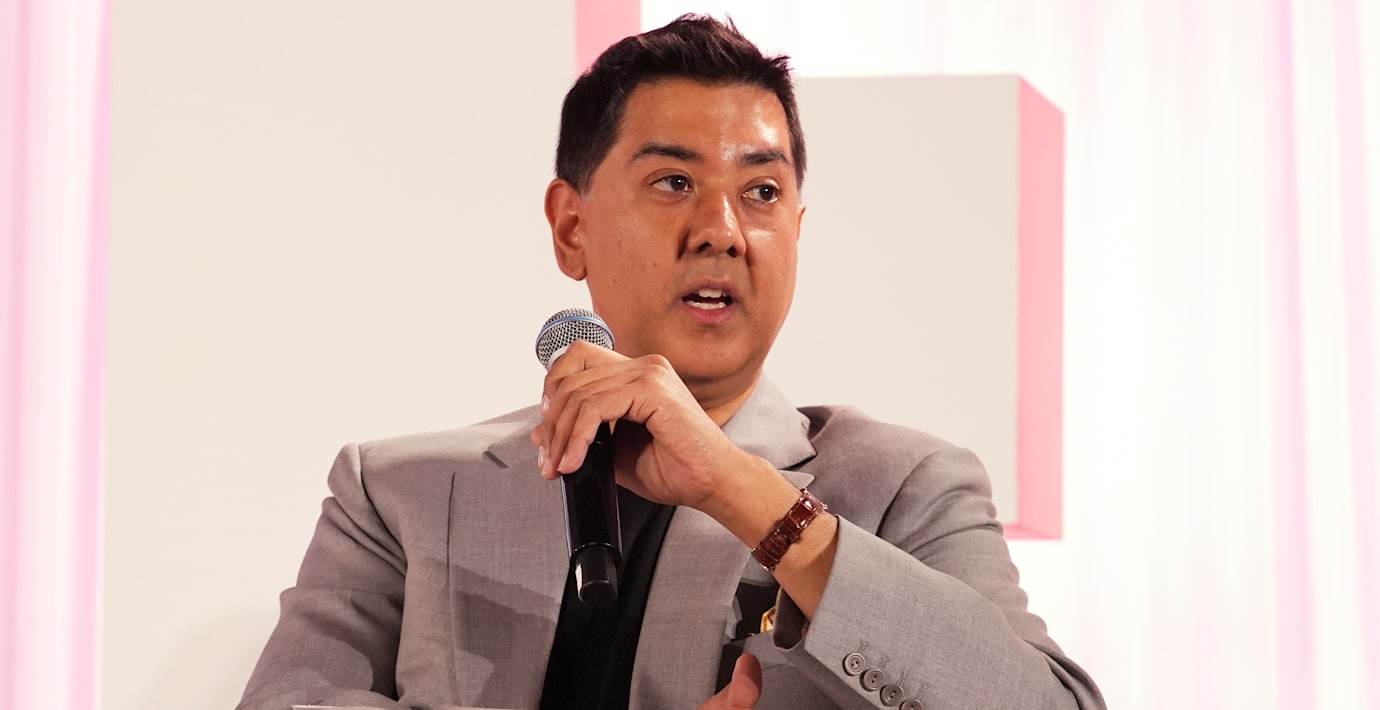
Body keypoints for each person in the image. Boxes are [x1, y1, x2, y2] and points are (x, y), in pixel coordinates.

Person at [239, 14, 1104, 710]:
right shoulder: (400, 494)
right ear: (571, 227)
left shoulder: (907, 488)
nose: (722, 231)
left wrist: (740, 489)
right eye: (674, 183)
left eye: (761, 192)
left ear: (797, 232)